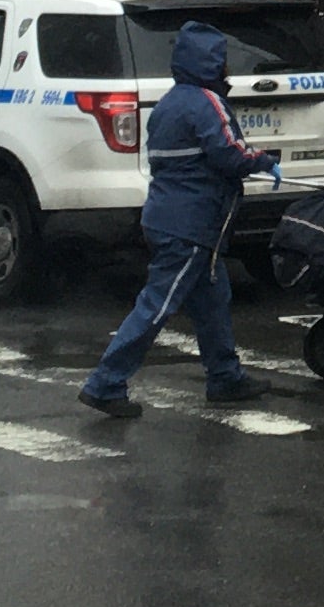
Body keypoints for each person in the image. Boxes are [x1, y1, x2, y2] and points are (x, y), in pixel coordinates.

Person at [81, 22, 280, 419]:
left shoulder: (170, 102)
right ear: (212, 62)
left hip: (169, 217)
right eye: (222, 60)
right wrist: (263, 160)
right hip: (191, 226)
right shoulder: (208, 102)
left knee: (212, 300)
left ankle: (225, 376)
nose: (226, 69)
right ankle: (105, 382)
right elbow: (230, 154)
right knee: (156, 305)